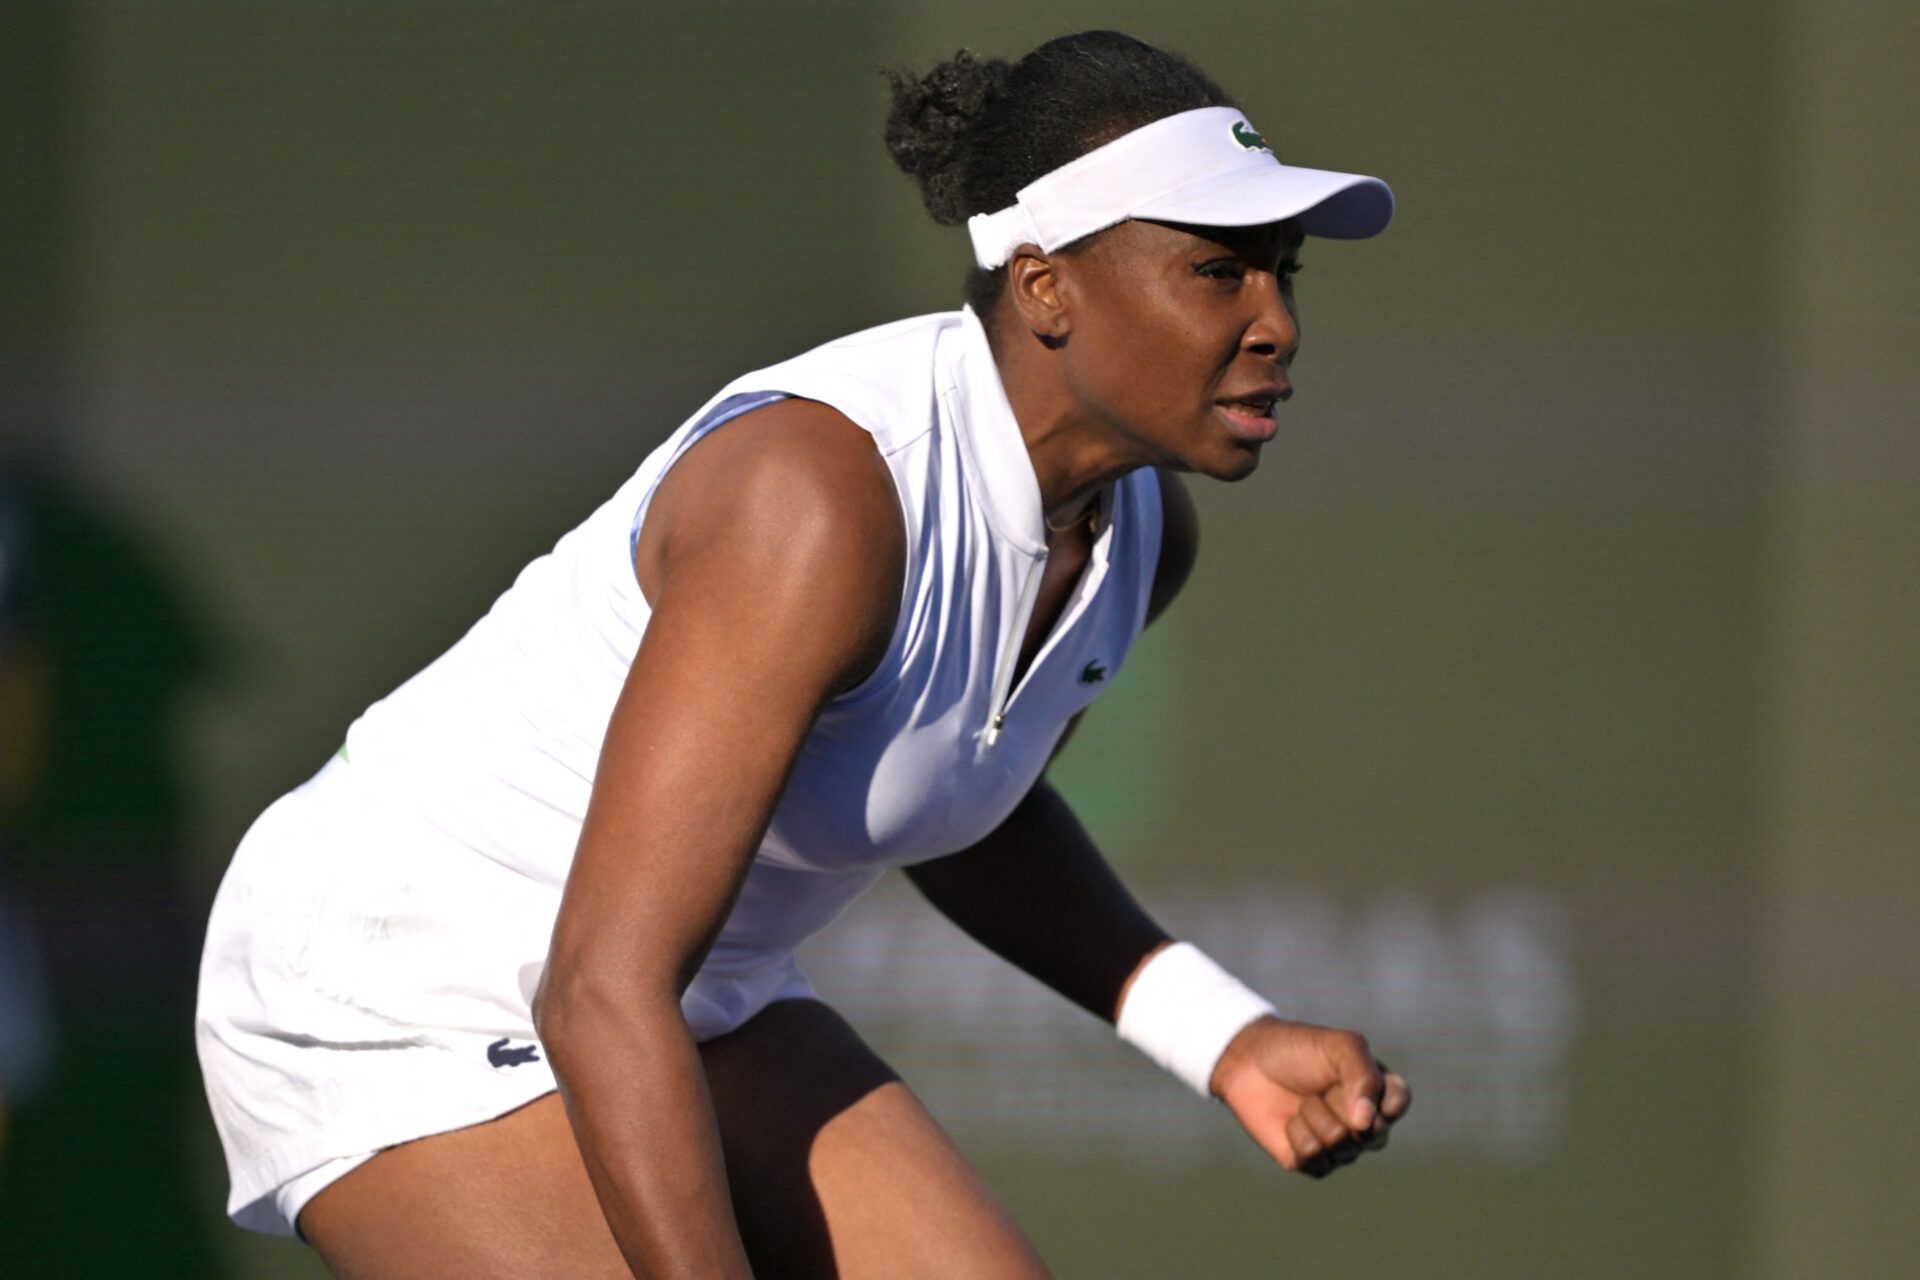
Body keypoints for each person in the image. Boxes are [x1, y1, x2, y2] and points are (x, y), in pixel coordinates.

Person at [196, 30, 1412, 1279]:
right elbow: (599, 990)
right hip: (399, 974)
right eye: (1219, 271)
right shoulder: (819, 498)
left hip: (682, 982)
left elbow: (956, 796)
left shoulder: (1141, 540)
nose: (1276, 322)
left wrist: (1218, 1031)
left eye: (1284, 271)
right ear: (1047, 287)